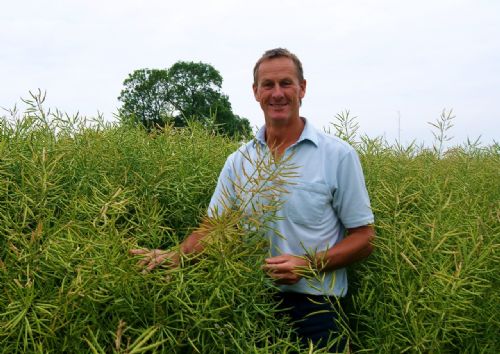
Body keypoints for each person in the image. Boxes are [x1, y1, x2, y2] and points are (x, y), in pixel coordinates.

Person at [130, 48, 375, 352]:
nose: (277, 93)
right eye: (268, 85)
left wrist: (308, 264)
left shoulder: (338, 155)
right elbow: (213, 229)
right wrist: (174, 256)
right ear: (256, 92)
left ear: (303, 88)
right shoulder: (239, 160)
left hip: (319, 308)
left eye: (286, 83)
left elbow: (364, 238)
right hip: (252, 302)